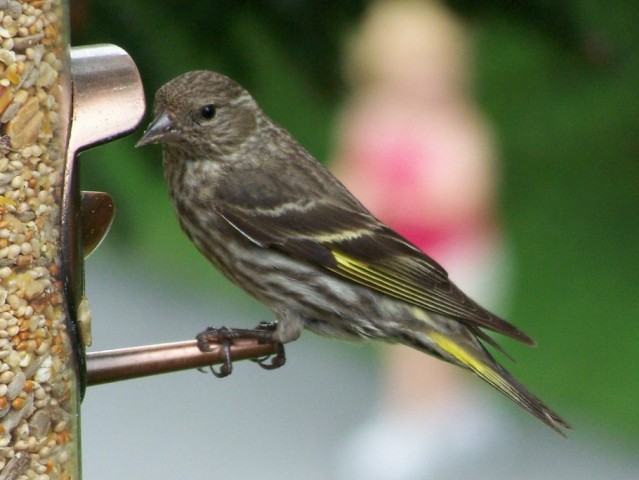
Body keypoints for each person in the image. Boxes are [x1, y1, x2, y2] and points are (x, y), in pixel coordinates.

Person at [331, 1, 512, 477]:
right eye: (409, 66)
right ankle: (430, 412)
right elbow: (343, 174)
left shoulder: (460, 127)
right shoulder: (370, 116)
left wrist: (393, 199)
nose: (423, 78)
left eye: (433, 64)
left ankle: (413, 425)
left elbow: (465, 196)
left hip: (455, 258)